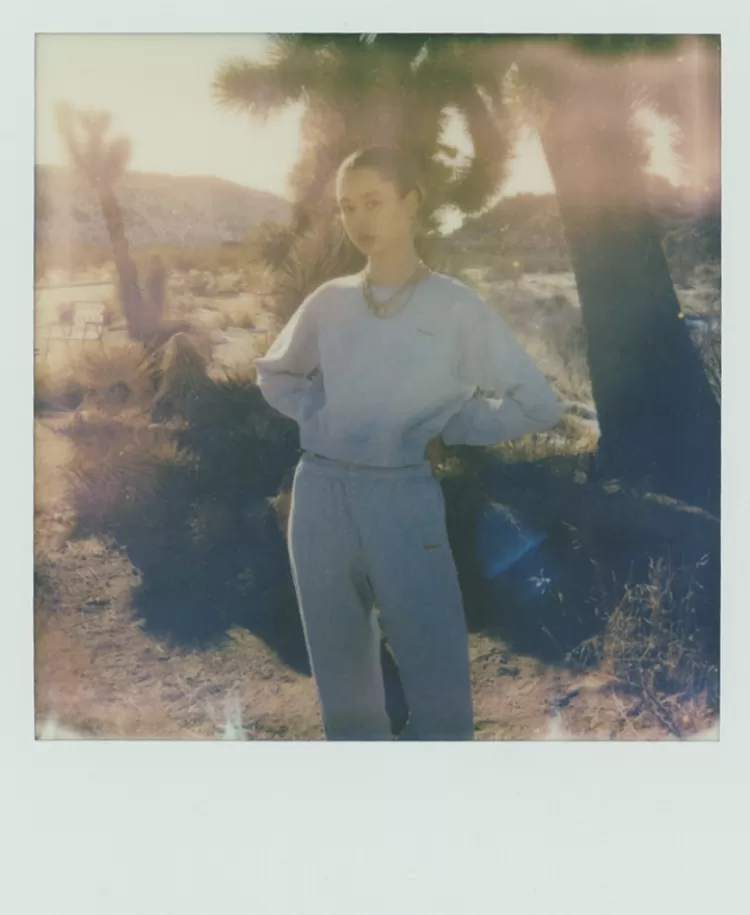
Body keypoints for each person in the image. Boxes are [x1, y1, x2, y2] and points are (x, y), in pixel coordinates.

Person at [254, 145, 564, 741]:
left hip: (403, 496)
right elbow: (275, 374)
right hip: (319, 495)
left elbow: (537, 403)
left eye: (373, 201)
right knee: (343, 691)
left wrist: (448, 427)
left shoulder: (454, 306)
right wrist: (322, 416)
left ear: (412, 202)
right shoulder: (330, 301)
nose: (359, 219)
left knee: (438, 681)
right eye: (347, 206)